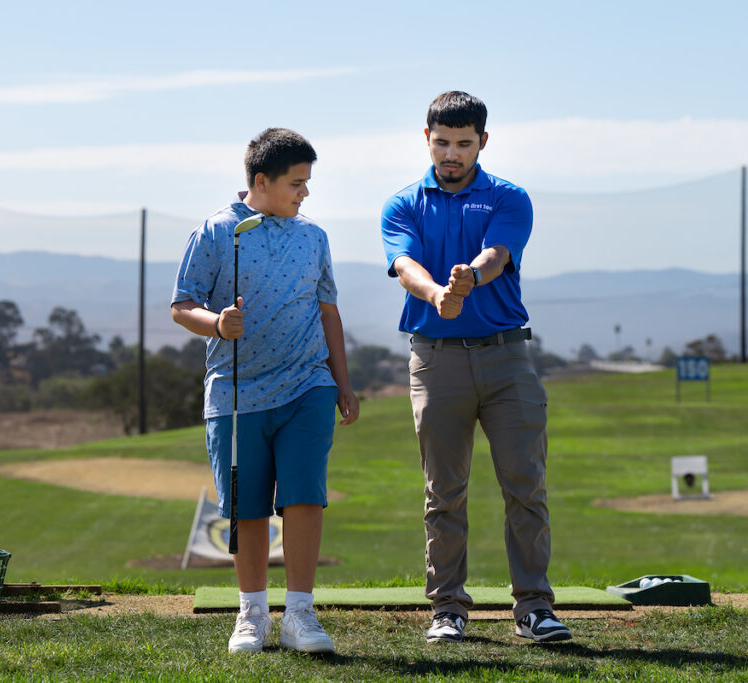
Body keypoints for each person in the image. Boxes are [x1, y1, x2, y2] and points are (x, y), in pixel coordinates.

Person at [380, 91, 571, 644]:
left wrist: (470, 278)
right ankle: (448, 608)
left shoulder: (508, 197)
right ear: (427, 139)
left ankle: (534, 608)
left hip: (507, 357)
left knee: (525, 484)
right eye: (442, 142)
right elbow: (404, 263)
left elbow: (498, 254)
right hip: (434, 360)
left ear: (483, 142)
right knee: (443, 491)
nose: (451, 154)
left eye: (464, 144)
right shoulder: (402, 203)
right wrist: (437, 293)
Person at [171, 127, 359, 654]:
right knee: (246, 507)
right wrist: (216, 323)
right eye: (296, 183)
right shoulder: (216, 231)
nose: (305, 193)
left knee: (304, 497)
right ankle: (252, 614)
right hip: (235, 395)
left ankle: (300, 615)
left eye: (306, 182)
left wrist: (342, 383)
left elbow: (328, 312)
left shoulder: (313, 236)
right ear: (261, 182)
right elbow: (182, 305)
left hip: (308, 385)